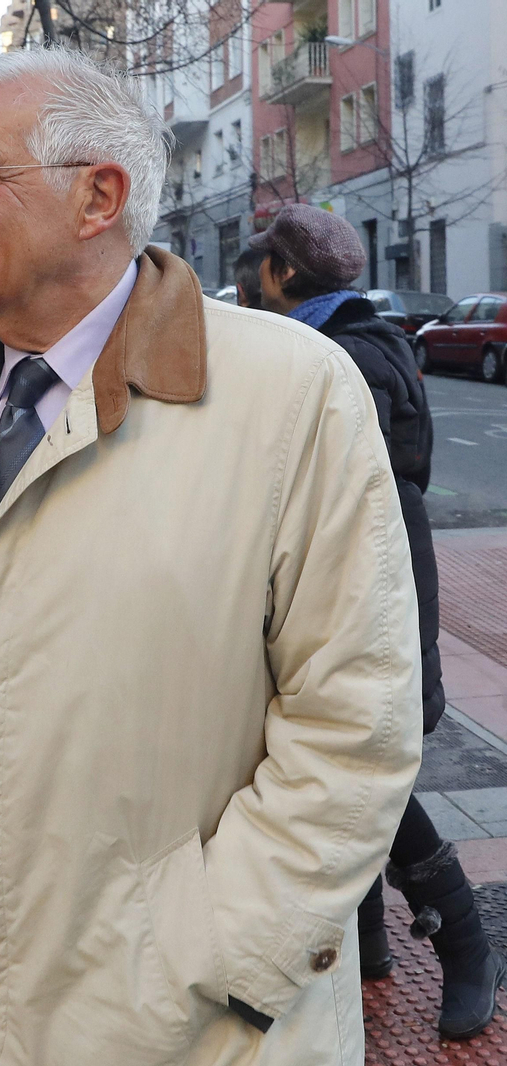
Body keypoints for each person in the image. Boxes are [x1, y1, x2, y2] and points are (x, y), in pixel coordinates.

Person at [0, 48, 421, 1065]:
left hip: (195, 1027)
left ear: (98, 197)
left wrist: (219, 951)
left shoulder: (290, 390)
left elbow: (353, 715)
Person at [251, 202, 500, 1038]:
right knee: (329, 752)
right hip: (348, 572)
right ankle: (365, 942)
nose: (254, 279)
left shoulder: (331, 358)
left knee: (360, 767)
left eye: (263, 265)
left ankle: (465, 943)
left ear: (284, 273)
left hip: (367, 580)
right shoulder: (362, 342)